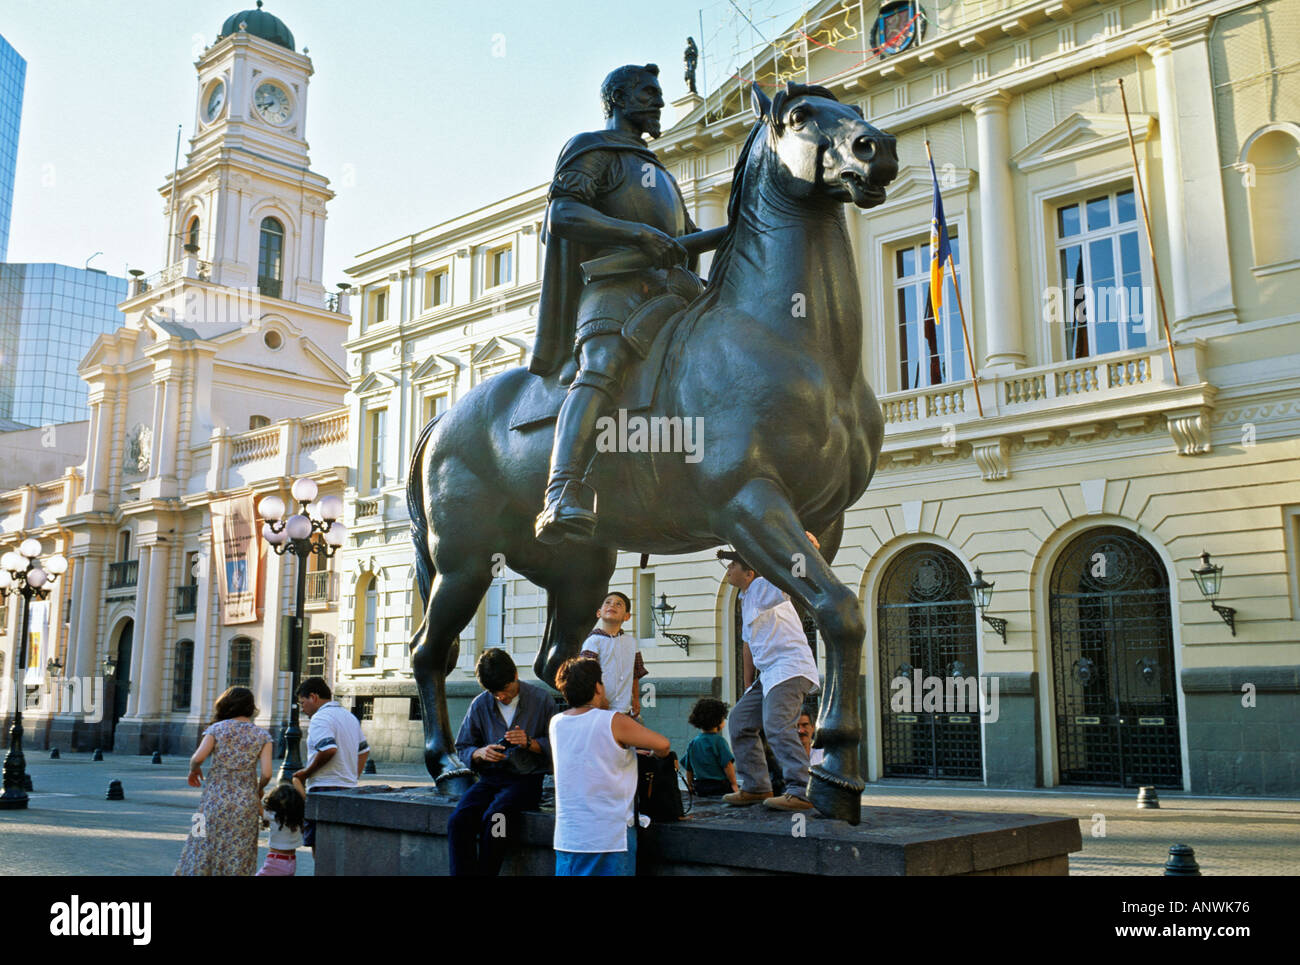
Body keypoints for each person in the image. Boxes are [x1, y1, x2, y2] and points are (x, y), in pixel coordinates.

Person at [530, 62, 718, 543]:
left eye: (659, 93)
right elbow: (564, 212)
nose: (658, 101)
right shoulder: (593, 148)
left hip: (672, 291)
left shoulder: (658, 171)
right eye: (648, 93)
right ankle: (561, 488)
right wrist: (636, 233)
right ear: (617, 99)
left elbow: (687, 240)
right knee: (603, 364)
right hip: (614, 285)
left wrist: (746, 223)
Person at [717, 538, 822, 812]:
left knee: (776, 724)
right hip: (768, 676)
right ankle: (755, 787)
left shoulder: (762, 587)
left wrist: (804, 549)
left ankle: (801, 790)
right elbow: (747, 646)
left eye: (733, 565)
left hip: (789, 668)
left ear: (749, 573)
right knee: (740, 720)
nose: (728, 569)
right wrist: (748, 684)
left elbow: (790, 580)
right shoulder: (744, 598)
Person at [549, 656, 671, 876]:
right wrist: (653, 753)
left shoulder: (556, 722)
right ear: (597, 687)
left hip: (568, 837)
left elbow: (590, 751)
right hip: (609, 836)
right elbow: (663, 745)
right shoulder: (612, 720)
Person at [448, 648, 558, 876]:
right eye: (494, 693)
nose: (501, 697)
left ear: (515, 675)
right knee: (458, 821)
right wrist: (480, 753)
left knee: (497, 818)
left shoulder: (541, 699)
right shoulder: (480, 704)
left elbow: (558, 746)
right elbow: (463, 747)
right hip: (490, 779)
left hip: (526, 780)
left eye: (505, 691)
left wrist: (530, 743)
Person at [175, 686, 272, 876]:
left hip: (212, 801)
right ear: (251, 708)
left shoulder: (216, 729)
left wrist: (193, 771)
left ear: (226, 706)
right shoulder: (262, 736)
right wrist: (258, 789)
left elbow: (198, 758)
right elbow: (267, 773)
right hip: (245, 804)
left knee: (199, 842)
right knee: (240, 852)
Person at [293, 676, 370, 854]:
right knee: (341, 850)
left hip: (323, 788)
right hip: (349, 789)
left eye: (303, 703)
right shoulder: (349, 717)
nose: (303, 709)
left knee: (321, 851)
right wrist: (352, 776)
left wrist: (306, 772)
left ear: (313, 697)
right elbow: (364, 751)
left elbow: (328, 749)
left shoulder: (320, 718)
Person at [578, 591, 647, 716]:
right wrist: (600, 698)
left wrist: (636, 699)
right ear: (599, 612)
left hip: (624, 709)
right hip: (599, 709)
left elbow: (635, 673)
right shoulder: (593, 641)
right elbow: (586, 676)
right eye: (608, 602)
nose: (612, 605)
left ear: (627, 616)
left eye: (619, 604)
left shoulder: (631, 642)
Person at [682, 697, 737, 797]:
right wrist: (734, 784)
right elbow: (727, 765)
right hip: (720, 786)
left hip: (700, 786)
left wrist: (689, 785)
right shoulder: (719, 741)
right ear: (718, 721)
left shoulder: (693, 742)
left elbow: (689, 768)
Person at [256, 779, 305, 876]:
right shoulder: (298, 818)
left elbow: (258, 806)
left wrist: (258, 788)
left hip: (276, 861)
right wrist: (296, 779)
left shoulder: (274, 817)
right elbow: (303, 797)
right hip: (291, 862)